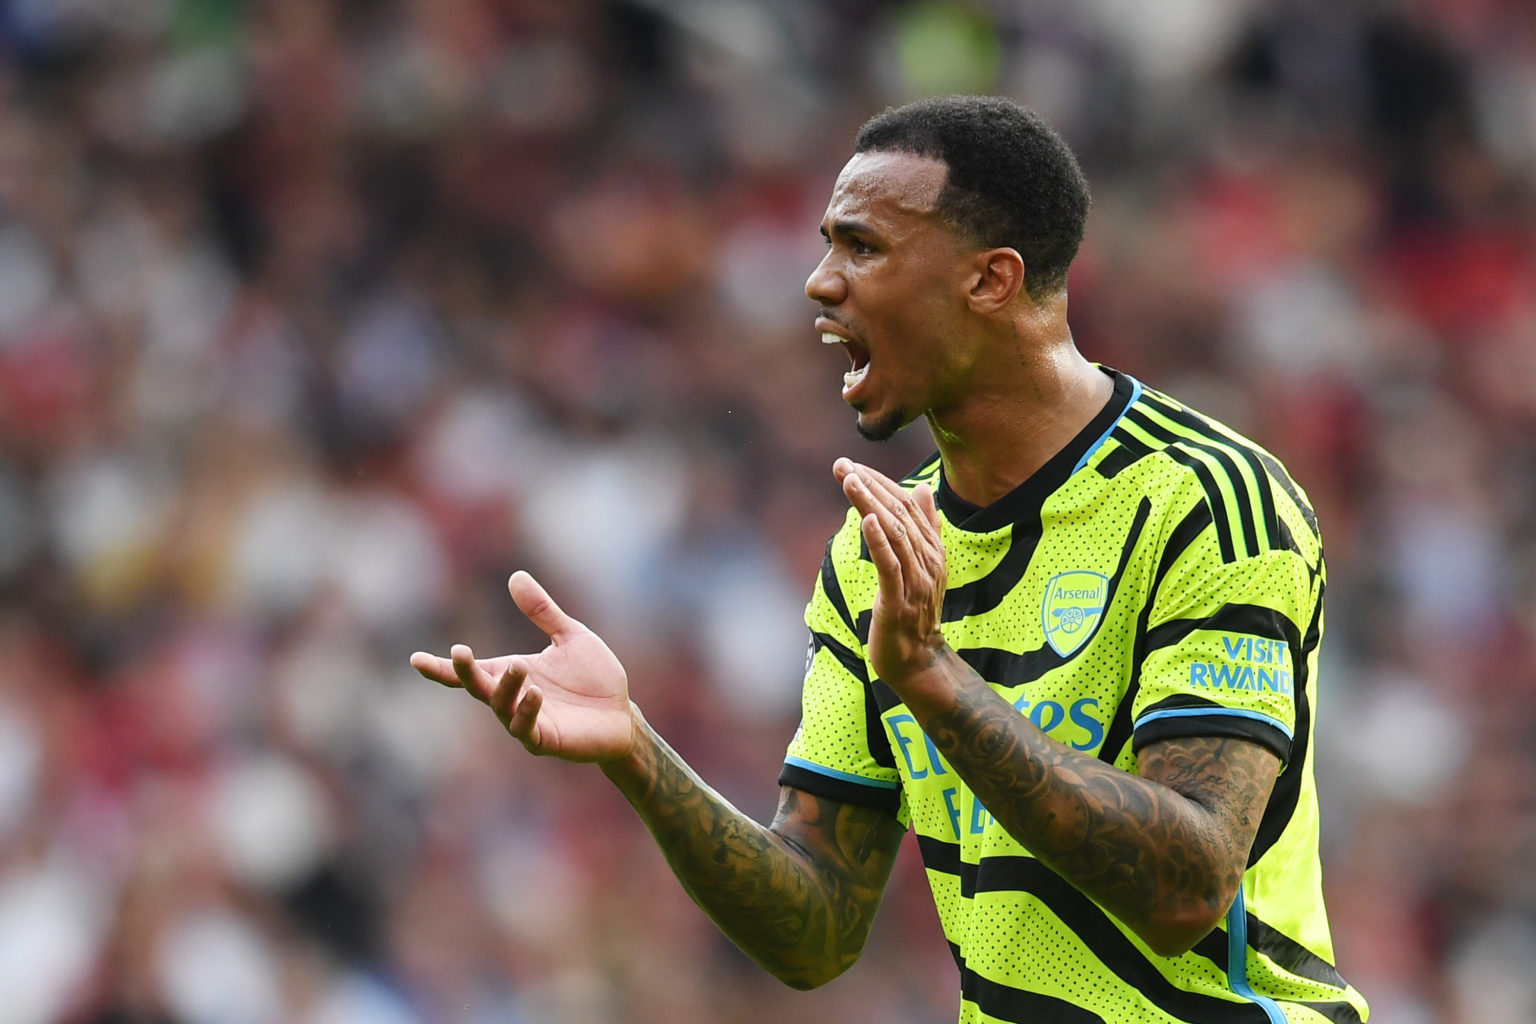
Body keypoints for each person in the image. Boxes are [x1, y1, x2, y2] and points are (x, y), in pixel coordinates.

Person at [411, 95, 1370, 1024]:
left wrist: (934, 682)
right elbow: (816, 930)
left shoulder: (1209, 503)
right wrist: (636, 751)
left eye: (862, 246)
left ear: (991, 280)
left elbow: (1187, 887)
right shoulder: (879, 551)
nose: (820, 282)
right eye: (828, 244)